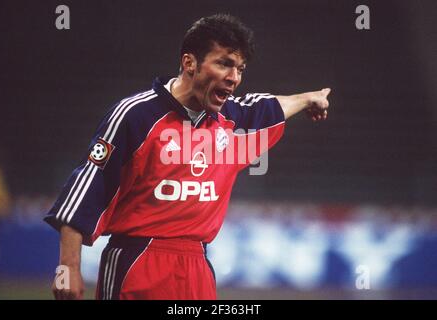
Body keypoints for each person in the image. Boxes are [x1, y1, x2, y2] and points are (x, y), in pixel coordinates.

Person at [45, 13, 331, 300]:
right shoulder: (136, 115)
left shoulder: (232, 119)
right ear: (189, 63)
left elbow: (272, 106)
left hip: (197, 268)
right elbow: (86, 189)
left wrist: (308, 99)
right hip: (136, 261)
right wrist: (67, 267)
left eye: (240, 69)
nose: (234, 78)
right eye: (224, 63)